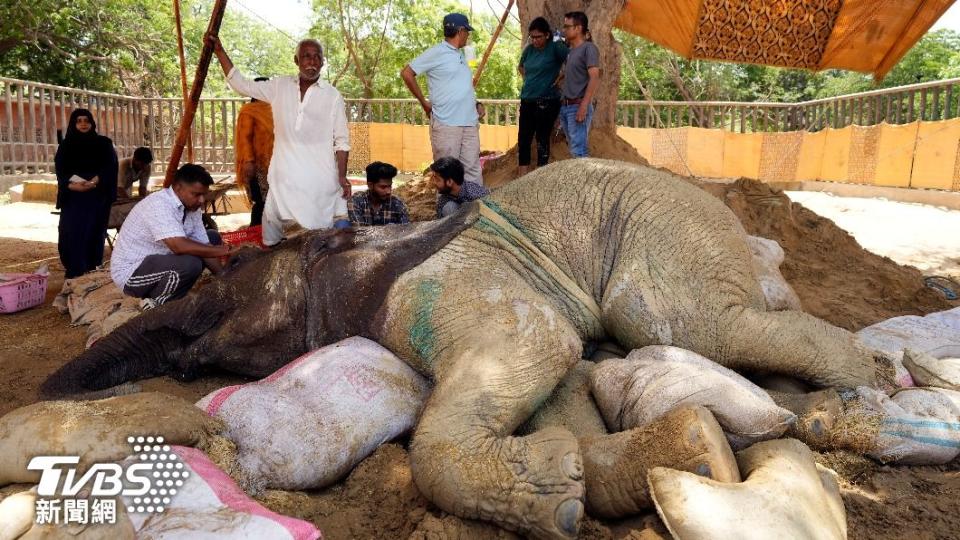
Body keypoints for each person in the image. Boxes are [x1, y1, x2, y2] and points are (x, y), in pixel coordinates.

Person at [209, 34, 351, 245]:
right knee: (273, 231)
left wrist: (341, 176)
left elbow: (342, 140)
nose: (311, 62)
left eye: (316, 57)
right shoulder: (279, 87)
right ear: (296, 60)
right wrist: (219, 51)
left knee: (329, 229)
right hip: (284, 177)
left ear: (322, 62)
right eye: (306, 56)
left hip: (320, 178)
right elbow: (242, 85)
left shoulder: (332, 96)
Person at [110, 164, 236, 307]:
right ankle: (158, 303)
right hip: (132, 274)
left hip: (159, 261)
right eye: (196, 194)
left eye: (204, 194)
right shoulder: (159, 204)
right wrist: (222, 250)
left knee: (211, 237)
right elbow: (178, 246)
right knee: (190, 264)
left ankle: (173, 289)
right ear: (178, 188)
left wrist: (225, 278)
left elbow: (204, 244)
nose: (201, 200)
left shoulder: (191, 207)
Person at [401, 13, 485, 186]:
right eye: (467, 32)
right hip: (446, 124)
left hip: (469, 122)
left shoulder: (461, 55)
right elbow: (407, 73)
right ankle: (447, 213)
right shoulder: (436, 52)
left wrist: (476, 104)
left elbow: (461, 86)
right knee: (446, 174)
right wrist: (424, 103)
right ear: (460, 31)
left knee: (472, 170)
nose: (468, 36)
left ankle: (475, 211)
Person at [54, 108, 118, 279]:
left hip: (97, 198)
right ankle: (74, 272)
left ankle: (91, 271)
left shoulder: (104, 143)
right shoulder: (66, 145)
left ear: (92, 123)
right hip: (74, 198)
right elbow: (61, 171)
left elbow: (110, 166)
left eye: (86, 120)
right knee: (72, 233)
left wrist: (95, 181)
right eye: (79, 120)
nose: (83, 124)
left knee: (94, 233)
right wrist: (73, 186)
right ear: (73, 124)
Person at [517, 17, 568, 176]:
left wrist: (561, 76)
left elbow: (573, 61)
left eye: (538, 37)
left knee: (542, 139)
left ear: (547, 35)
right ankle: (522, 176)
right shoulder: (529, 49)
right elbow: (521, 66)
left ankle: (540, 177)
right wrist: (531, 80)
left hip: (548, 101)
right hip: (527, 100)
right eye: (532, 37)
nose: (535, 40)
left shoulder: (556, 47)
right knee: (523, 138)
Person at [559, 11, 600, 158]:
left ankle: (585, 181)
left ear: (578, 28)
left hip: (578, 106)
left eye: (567, 26)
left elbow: (594, 77)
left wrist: (584, 105)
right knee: (574, 149)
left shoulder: (589, 48)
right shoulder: (570, 51)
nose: (564, 29)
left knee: (579, 152)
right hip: (566, 106)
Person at [234, 77, 275, 227]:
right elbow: (245, 139)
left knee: (274, 202)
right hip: (257, 166)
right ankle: (256, 234)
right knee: (262, 202)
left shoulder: (275, 108)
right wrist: (249, 162)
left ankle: (271, 236)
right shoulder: (249, 111)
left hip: (276, 165)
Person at [348, 161, 411, 226]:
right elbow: (359, 232)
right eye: (383, 187)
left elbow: (406, 232)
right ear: (370, 185)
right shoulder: (357, 201)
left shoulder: (397, 204)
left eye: (390, 186)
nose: (388, 191)